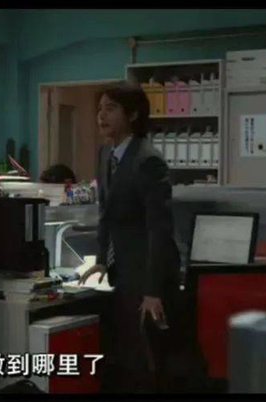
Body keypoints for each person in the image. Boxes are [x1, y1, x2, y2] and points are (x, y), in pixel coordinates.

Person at [79, 82, 181, 392]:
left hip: (145, 275)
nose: (101, 116)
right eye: (99, 109)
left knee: (144, 361)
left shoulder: (147, 160)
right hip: (120, 271)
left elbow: (159, 229)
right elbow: (105, 212)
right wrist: (100, 258)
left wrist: (153, 290)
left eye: (111, 109)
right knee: (123, 357)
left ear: (133, 114)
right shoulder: (105, 154)